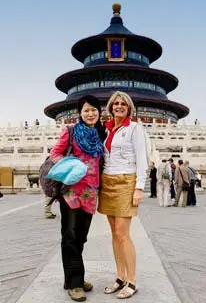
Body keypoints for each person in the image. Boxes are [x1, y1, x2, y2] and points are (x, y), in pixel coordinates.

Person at [50, 95, 104, 302]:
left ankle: (71, 277)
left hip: (90, 193)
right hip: (71, 191)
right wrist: (72, 165)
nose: (90, 114)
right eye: (86, 110)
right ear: (80, 113)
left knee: (81, 237)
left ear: (99, 112)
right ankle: (75, 283)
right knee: (70, 236)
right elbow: (55, 154)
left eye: (94, 110)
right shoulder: (71, 132)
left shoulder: (100, 133)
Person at [98, 91, 148, 299]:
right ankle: (120, 277)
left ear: (129, 108)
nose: (119, 106)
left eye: (123, 104)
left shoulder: (135, 128)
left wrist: (139, 187)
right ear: (110, 107)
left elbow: (142, 158)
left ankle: (132, 280)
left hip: (126, 181)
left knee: (123, 233)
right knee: (114, 233)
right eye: (116, 103)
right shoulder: (107, 130)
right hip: (107, 181)